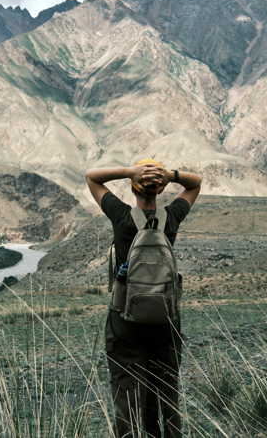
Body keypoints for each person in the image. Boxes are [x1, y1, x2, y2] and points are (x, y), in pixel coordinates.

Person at [86, 159, 202, 438]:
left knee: (128, 396)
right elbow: (195, 183)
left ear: (133, 188)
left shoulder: (122, 216)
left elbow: (92, 177)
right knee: (166, 392)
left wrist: (129, 172)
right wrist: (169, 175)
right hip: (165, 319)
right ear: (160, 190)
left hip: (125, 320)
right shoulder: (171, 217)